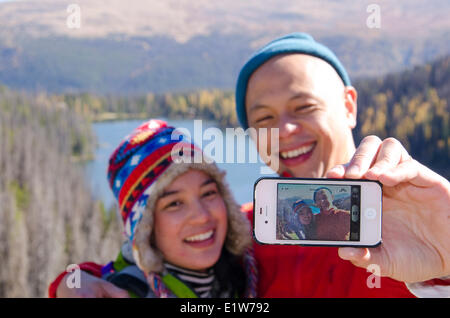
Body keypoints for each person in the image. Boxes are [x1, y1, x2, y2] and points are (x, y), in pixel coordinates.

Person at [50, 33, 449, 298]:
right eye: (262, 119)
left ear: (348, 105)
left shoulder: (413, 228)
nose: (285, 130)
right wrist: (73, 283)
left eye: (303, 107)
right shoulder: (246, 235)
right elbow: (134, 264)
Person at [53, 119, 258, 298]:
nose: (202, 216)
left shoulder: (241, 270)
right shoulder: (123, 291)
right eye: (174, 204)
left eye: (209, 193)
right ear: (145, 227)